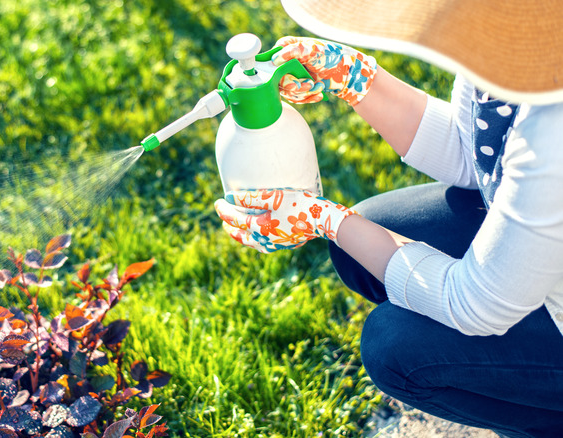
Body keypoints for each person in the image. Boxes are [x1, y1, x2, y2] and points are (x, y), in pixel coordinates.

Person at [213, 1, 563, 437]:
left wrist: (325, 219)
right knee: (364, 242)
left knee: (394, 346)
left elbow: (476, 305)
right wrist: (355, 77)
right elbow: (475, 152)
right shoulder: (514, 37)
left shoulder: (554, 126)